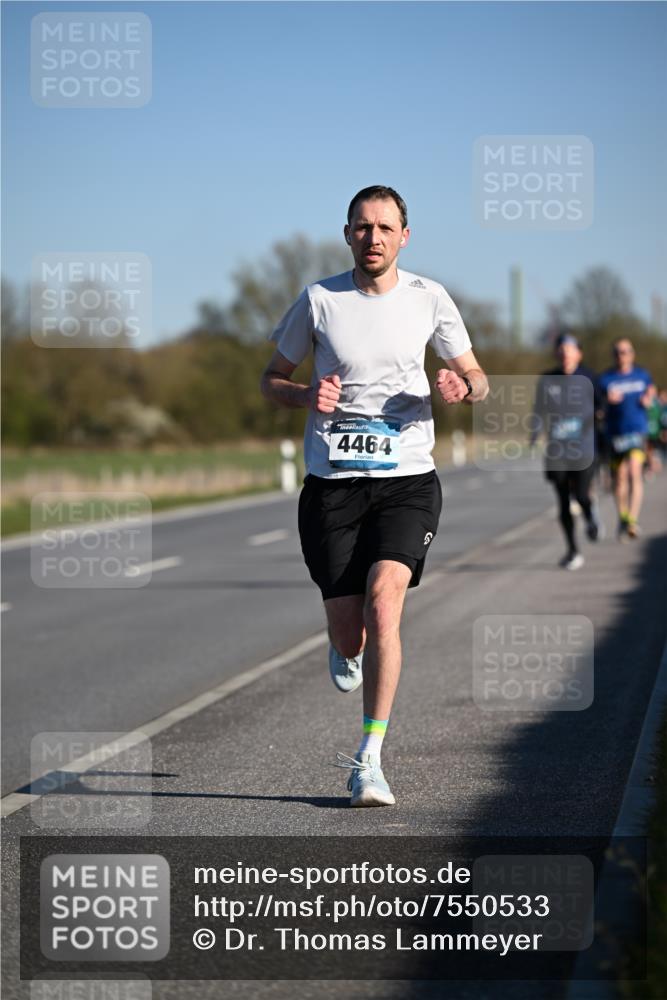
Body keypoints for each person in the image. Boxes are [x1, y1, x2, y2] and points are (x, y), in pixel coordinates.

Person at [260, 185, 488, 807]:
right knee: (351, 631)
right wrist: (304, 395)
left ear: (404, 236)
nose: (374, 237)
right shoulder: (319, 300)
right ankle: (345, 648)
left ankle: (370, 759)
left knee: (385, 607)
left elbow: (478, 376)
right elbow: (270, 378)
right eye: (363, 227)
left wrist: (460, 384)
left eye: (385, 227)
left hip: (407, 481)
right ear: (348, 234)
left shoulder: (429, 298)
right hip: (333, 485)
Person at [530, 332, 602, 571]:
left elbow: (602, 407)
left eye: (570, 351)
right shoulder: (547, 379)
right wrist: (535, 432)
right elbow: (539, 410)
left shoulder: (590, 377)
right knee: (562, 501)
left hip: (583, 449)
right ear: (557, 355)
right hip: (557, 450)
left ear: (578, 354)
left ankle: (591, 517)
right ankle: (573, 550)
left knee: (581, 495)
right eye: (561, 352)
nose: (565, 356)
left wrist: (600, 416)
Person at [597, 338, 655, 539]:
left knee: (634, 470)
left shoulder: (642, 375)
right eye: (618, 352)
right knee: (619, 478)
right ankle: (622, 516)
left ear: (632, 354)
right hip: (615, 433)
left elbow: (651, 391)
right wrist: (605, 400)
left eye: (625, 351)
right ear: (614, 355)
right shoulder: (606, 378)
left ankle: (632, 519)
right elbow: (597, 402)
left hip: (637, 431)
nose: (622, 355)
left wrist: (649, 398)